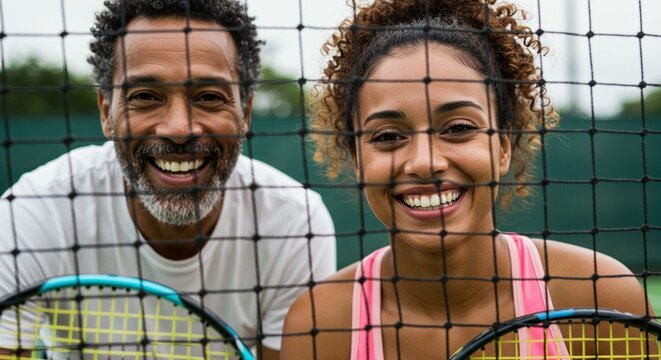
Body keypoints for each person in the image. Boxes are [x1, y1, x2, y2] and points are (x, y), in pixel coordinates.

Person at [281, 0, 650, 359]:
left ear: (503, 147)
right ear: (358, 161)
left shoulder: (599, 293)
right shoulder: (318, 323)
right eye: (388, 136)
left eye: (458, 128)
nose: (424, 163)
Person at [0, 0, 336, 358]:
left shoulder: (296, 223)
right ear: (106, 113)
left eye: (208, 97)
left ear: (246, 112)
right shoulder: (35, 211)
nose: (178, 129)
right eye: (145, 97)